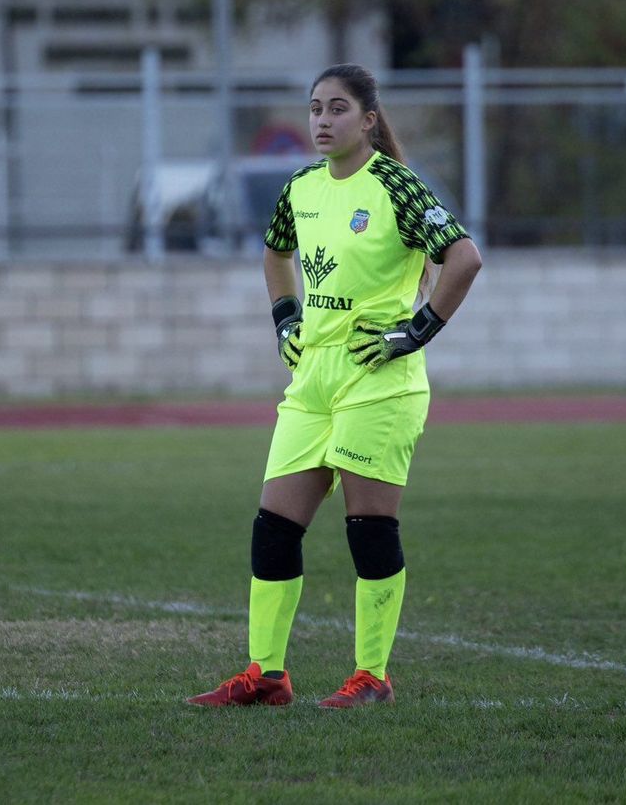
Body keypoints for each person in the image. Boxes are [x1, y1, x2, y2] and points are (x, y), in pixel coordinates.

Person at [188, 63, 482, 710]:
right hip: (313, 380)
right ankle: (267, 674)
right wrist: (285, 317)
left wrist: (419, 329)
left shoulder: (397, 186)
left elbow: (464, 256)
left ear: (369, 120)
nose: (322, 120)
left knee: (368, 527)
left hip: (379, 378)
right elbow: (275, 252)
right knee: (273, 526)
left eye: (337, 109)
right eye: (315, 108)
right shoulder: (300, 186)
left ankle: (371, 676)